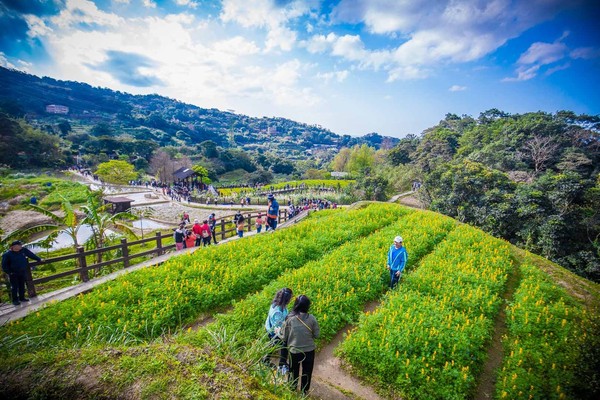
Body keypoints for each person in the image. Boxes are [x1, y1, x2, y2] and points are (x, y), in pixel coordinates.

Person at [282, 294, 319, 394]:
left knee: (293, 371)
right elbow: (317, 335)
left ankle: (292, 389)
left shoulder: (289, 319)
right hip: (309, 351)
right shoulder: (312, 318)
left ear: (296, 305)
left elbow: (284, 337)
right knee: (307, 372)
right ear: (307, 306)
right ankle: (304, 392)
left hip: (294, 351)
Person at [2, 240, 42, 305]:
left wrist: (39, 259)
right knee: (14, 287)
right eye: (19, 245)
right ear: (14, 246)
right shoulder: (7, 254)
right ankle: (15, 300)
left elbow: (31, 255)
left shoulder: (23, 250)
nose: (21, 246)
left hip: (22, 272)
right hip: (13, 273)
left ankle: (22, 298)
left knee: (22, 285)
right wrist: (10, 272)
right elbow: (4, 265)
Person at [263, 288, 293, 373]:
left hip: (272, 328)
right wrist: (286, 335)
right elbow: (279, 328)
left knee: (273, 345)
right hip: (274, 331)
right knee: (284, 346)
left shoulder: (278, 304)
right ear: (286, 300)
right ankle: (282, 365)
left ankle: (266, 360)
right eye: (290, 298)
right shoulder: (277, 312)